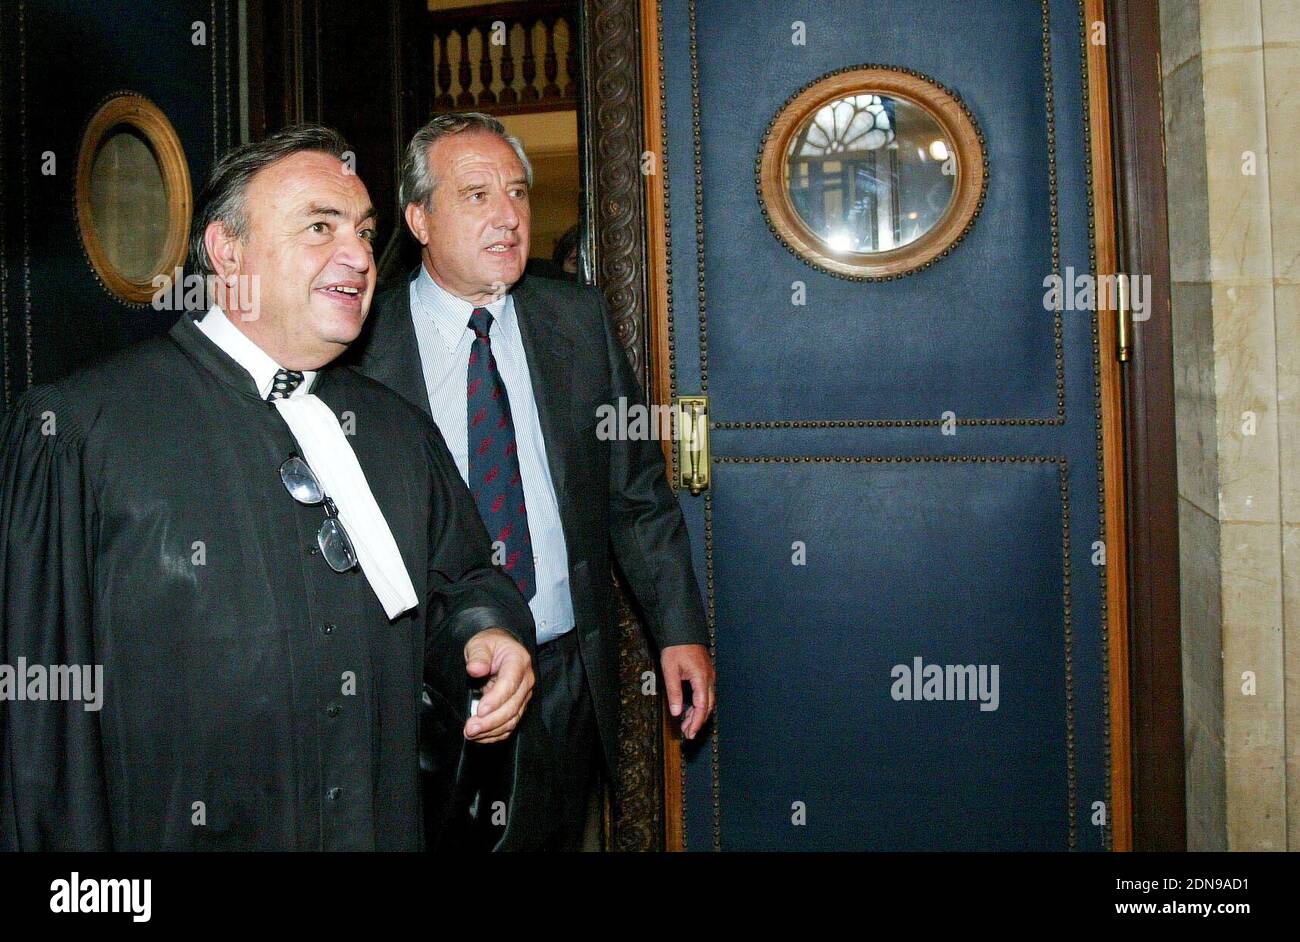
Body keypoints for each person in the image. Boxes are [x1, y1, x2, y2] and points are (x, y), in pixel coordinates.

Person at [0, 125, 539, 851]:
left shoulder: (395, 431)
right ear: (228, 252)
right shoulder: (80, 434)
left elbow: (466, 579)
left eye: (364, 231)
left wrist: (489, 631)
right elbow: (41, 744)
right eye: (321, 226)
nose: (357, 255)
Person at [349, 113, 714, 849]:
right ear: (419, 218)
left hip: (562, 677)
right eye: (477, 195)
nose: (509, 216)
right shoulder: (361, 351)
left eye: (517, 192)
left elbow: (636, 494)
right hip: (426, 690)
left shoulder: (575, 321)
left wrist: (678, 628)